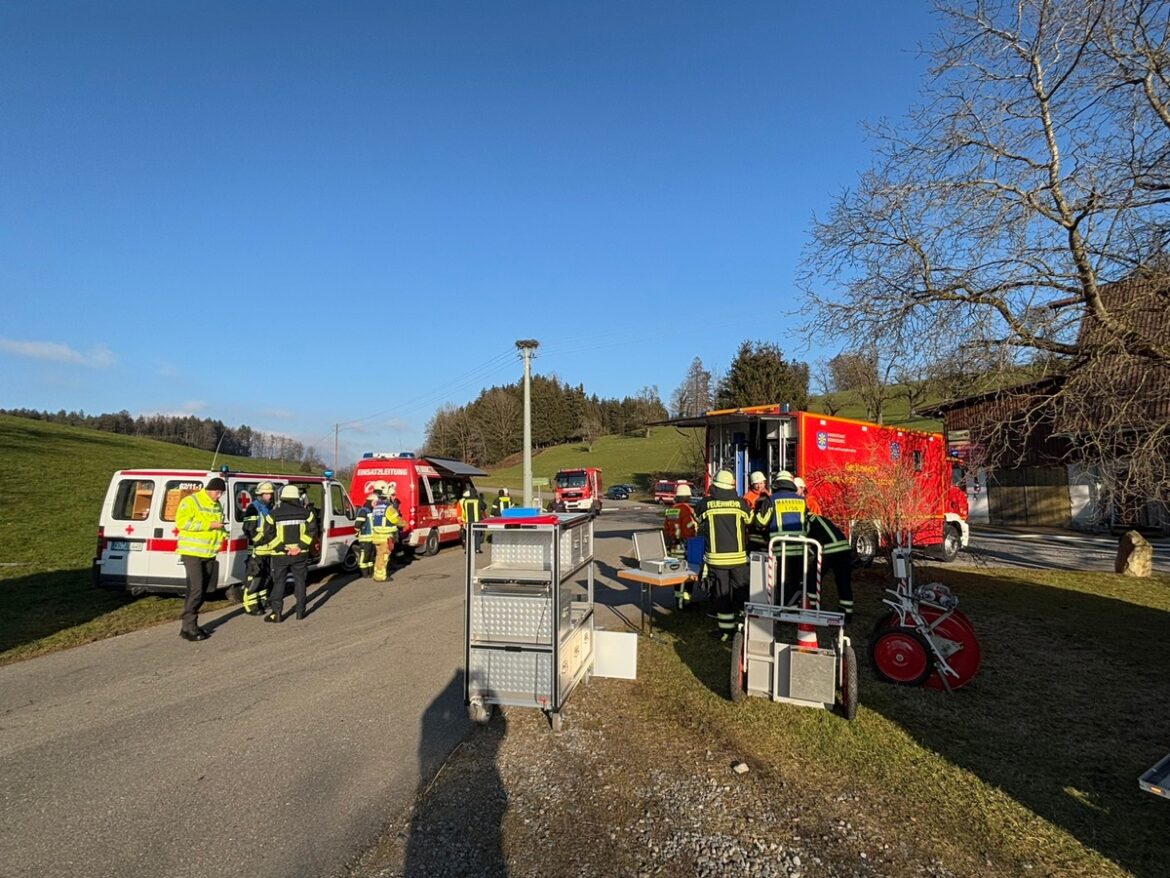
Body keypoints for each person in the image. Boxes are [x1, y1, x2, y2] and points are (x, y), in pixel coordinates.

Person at [694, 470, 752, 641]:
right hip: (738, 558)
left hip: (716, 559)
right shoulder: (740, 503)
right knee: (742, 591)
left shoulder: (705, 504)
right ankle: (745, 626)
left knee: (721, 593)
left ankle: (726, 632)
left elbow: (697, 520)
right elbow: (750, 520)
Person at [175, 476, 227, 641]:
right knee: (196, 589)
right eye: (218, 492)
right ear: (210, 489)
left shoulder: (217, 505)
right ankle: (189, 623)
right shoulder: (191, 501)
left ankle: (188, 625)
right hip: (192, 552)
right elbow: (182, 523)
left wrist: (222, 534)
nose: (219, 496)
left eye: (221, 493)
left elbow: (216, 526)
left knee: (202, 589)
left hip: (209, 553)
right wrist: (209, 525)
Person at [261, 485, 319, 623]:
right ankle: (300, 611)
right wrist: (300, 547)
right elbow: (312, 531)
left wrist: (282, 547)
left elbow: (267, 532)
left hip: (280, 554)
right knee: (300, 581)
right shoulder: (307, 513)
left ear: (283, 497)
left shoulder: (273, 514)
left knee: (279, 582)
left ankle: (277, 614)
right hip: (301, 554)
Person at [754, 471, 809, 607]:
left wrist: (756, 514)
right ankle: (795, 605)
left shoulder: (772, 499)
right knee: (796, 579)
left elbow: (761, 522)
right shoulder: (801, 500)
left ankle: (781, 607)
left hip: (780, 548)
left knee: (780, 579)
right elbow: (807, 523)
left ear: (777, 484)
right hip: (800, 547)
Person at [241, 481, 276, 615]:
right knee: (254, 576)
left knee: (266, 576)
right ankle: (250, 604)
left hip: (268, 549)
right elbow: (249, 529)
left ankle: (261, 600)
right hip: (256, 548)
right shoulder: (253, 508)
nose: (270, 496)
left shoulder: (269, 508)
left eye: (270, 494)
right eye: (267, 494)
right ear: (260, 494)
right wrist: (260, 540)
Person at [664, 482, 700, 609]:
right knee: (688, 575)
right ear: (688, 497)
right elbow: (689, 529)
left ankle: (678, 602)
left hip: (674, 547)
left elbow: (666, 529)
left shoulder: (670, 510)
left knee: (677, 575)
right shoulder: (688, 510)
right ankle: (686, 602)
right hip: (686, 546)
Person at [368, 488, 406, 581]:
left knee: (379, 555)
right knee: (384, 556)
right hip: (385, 536)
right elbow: (395, 519)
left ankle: (377, 573)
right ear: (388, 497)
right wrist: (404, 523)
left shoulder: (376, 507)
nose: (393, 497)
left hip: (376, 536)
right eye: (392, 495)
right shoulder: (389, 508)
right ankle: (381, 576)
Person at [354, 490, 380, 578]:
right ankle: (364, 573)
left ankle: (370, 572)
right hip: (365, 538)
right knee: (364, 556)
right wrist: (358, 532)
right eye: (375, 502)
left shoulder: (371, 511)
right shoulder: (364, 511)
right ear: (371, 501)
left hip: (372, 538)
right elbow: (357, 524)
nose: (376, 504)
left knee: (370, 556)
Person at [743, 471, 771, 550]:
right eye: (756, 484)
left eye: (761, 483)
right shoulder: (747, 497)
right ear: (752, 484)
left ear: (764, 483)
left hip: (766, 529)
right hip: (753, 529)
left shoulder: (768, 494)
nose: (759, 486)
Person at [458, 488, 485, 553]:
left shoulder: (465, 501)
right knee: (477, 535)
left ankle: (467, 549)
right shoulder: (478, 500)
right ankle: (477, 549)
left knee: (469, 535)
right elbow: (483, 507)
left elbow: (464, 508)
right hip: (476, 520)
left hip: (468, 521)